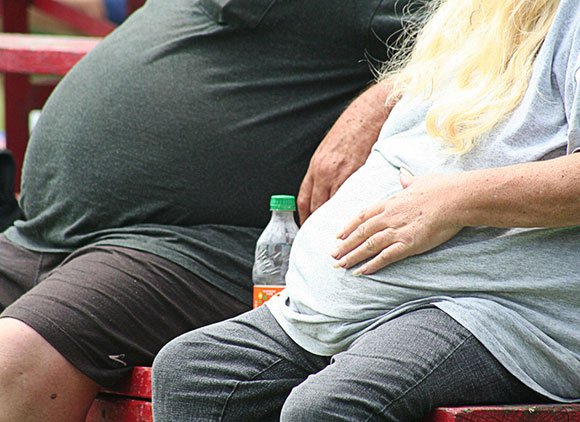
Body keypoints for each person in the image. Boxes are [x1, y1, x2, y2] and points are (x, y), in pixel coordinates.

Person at [151, 0, 580, 420]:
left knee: (329, 407)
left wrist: (453, 201)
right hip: (345, 309)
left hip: (500, 310)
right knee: (196, 373)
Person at [0, 0, 418, 420]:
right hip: (43, 234)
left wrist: (380, 100)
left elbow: (474, 44)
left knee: (12, 356)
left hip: (191, 247)